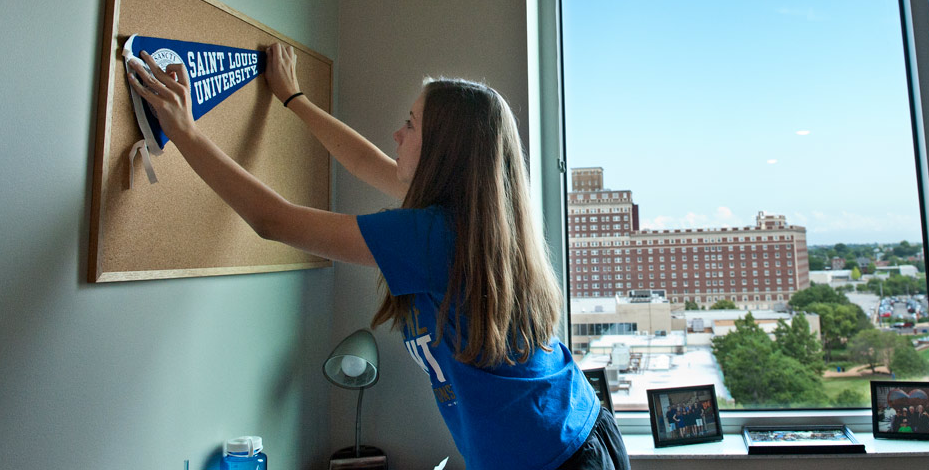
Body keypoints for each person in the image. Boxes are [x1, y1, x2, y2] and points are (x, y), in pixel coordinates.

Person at [126, 44, 629, 470]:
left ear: (442, 154)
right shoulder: (472, 218)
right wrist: (293, 98)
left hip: (560, 456)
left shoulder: (437, 236)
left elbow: (273, 221)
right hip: (573, 434)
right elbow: (369, 162)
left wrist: (185, 130)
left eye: (410, 125)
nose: (398, 135)